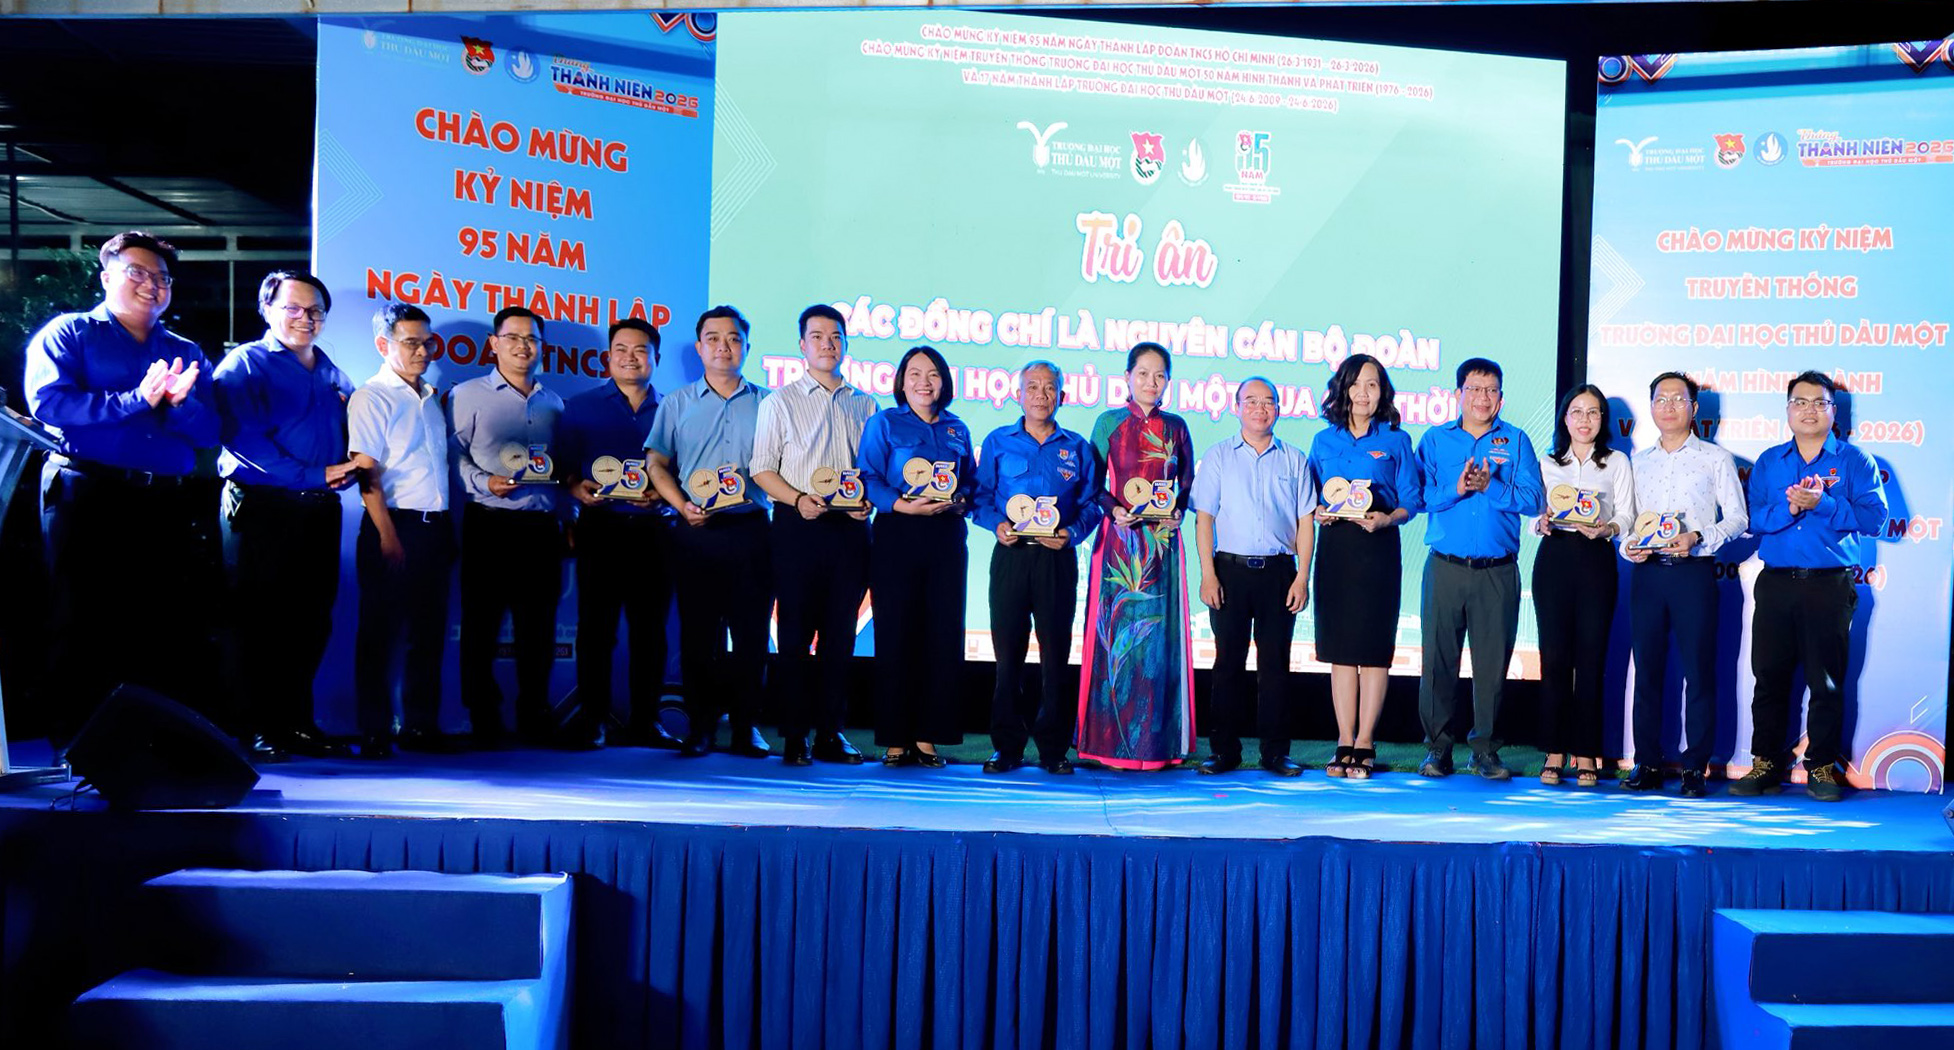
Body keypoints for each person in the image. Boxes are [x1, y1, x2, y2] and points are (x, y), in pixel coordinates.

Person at [24, 231, 221, 750]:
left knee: (157, 621)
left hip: (163, 501)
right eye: (138, 272)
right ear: (107, 276)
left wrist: (180, 405)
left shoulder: (183, 351)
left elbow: (209, 433)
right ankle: (78, 745)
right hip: (89, 492)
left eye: (162, 278)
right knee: (82, 617)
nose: (152, 285)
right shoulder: (70, 332)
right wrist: (136, 400)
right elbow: (49, 405)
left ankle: (144, 747)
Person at [213, 271, 359, 760]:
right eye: (293, 308)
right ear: (267, 310)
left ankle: (296, 724)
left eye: (315, 310)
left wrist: (348, 465)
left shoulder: (331, 371)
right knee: (257, 622)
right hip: (262, 507)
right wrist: (316, 473)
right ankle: (254, 728)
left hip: (317, 510)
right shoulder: (245, 364)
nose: (306, 318)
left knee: (310, 621)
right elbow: (243, 441)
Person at [1731, 371, 1886, 802]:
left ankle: (1821, 767)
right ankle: (1765, 763)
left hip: (1829, 585)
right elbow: (1754, 519)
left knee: (1827, 682)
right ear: (1787, 410)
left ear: (1834, 411)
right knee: (1769, 677)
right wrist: (1792, 508)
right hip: (1776, 584)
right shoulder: (1770, 461)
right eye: (1800, 402)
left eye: (1819, 402)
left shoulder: (1855, 461)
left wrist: (1825, 504)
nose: (1809, 410)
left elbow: (1875, 520)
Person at [750, 304, 878, 766]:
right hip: (797, 525)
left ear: (845, 344)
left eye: (836, 336)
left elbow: (871, 469)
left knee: (840, 637)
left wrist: (867, 500)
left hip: (849, 530)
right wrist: (797, 498)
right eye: (818, 336)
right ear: (802, 345)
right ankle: (794, 735)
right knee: (794, 635)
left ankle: (830, 731)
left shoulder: (866, 404)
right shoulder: (779, 402)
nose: (828, 344)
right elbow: (761, 468)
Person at [643, 305, 773, 759]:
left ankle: (745, 727)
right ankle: (699, 726)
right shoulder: (676, 403)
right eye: (713, 338)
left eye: (734, 338)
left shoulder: (770, 403)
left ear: (747, 347)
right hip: (696, 530)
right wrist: (681, 505)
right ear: (699, 348)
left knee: (751, 634)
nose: (724, 346)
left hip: (751, 529)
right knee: (698, 635)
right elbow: (656, 462)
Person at [1414, 357, 1544, 780]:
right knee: (1438, 663)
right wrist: (1455, 489)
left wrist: (1492, 486)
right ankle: (1438, 748)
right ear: (1458, 395)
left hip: (1497, 571)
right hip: (1445, 568)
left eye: (1491, 391)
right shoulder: (1435, 440)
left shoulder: (1516, 440)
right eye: (1474, 389)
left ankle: (1485, 750)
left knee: (1492, 666)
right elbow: (1418, 497)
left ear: (1500, 398)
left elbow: (1534, 500)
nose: (1482, 398)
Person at [972, 361, 1101, 775]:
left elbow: (1092, 504)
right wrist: (996, 524)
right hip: (1011, 556)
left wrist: (1072, 533)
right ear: (1018, 394)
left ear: (1062, 396)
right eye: (1032, 387)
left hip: (1056, 558)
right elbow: (980, 497)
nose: (1041, 395)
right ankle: (1006, 746)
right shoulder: (998, 441)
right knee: (1008, 654)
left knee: (1055, 655)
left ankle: (1053, 749)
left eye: (1049, 388)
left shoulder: (1078, 447)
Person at [1621, 372, 1747, 798]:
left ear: (1694, 408)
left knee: (1699, 672)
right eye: (1661, 399)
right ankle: (1647, 761)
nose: (1669, 406)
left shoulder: (1715, 458)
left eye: (1678, 399)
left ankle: (1695, 767)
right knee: (1647, 672)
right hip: (1648, 575)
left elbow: (1738, 519)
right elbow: (1627, 522)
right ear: (1651, 407)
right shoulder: (1638, 462)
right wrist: (1629, 547)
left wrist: (1698, 538)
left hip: (1694, 572)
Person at [555, 318, 676, 750]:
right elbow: (562, 469)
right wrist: (575, 489)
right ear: (608, 356)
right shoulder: (580, 406)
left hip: (655, 532)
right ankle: (593, 719)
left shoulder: (674, 409)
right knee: (596, 629)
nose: (630, 357)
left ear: (656, 357)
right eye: (621, 349)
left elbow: (684, 471)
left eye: (640, 350)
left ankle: (646, 721)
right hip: (601, 529)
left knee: (651, 631)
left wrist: (664, 497)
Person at [1076, 343, 1197, 771]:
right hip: (1120, 543)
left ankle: (1156, 746)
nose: (1151, 382)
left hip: (1162, 545)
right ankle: (1108, 744)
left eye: (1160, 375)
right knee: (1115, 637)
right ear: (1127, 376)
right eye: (1143, 373)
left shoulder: (1177, 427)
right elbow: (1092, 482)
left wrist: (1179, 509)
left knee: (1159, 643)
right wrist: (1114, 510)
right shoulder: (1109, 422)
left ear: (1168, 381)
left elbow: (1187, 481)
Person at [450, 305, 566, 748]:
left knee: (539, 627)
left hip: (541, 528)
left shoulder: (554, 402)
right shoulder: (467, 395)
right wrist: (484, 482)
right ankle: (483, 717)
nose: (523, 346)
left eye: (532, 339)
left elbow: (562, 469)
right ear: (494, 344)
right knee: (480, 625)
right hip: (490, 523)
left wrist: (568, 516)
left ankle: (534, 713)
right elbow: (452, 456)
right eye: (513, 337)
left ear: (542, 347)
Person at [855, 345, 975, 767]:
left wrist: (961, 499)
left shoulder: (958, 428)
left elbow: (970, 482)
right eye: (915, 374)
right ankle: (894, 738)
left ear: (945, 382)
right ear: (902, 382)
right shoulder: (884, 423)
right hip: (897, 533)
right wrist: (900, 505)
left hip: (945, 536)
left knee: (941, 635)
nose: (925, 382)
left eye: (933, 374)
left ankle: (927, 738)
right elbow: (867, 476)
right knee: (895, 633)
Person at [346, 303, 455, 759]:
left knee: (427, 634)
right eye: (411, 342)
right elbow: (366, 473)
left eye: (427, 342)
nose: (422, 351)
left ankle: (420, 727)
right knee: (380, 634)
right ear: (383, 345)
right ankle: (374, 730)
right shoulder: (372, 397)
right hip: (392, 525)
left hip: (436, 528)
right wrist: (388, 536)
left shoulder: (430, 395)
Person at [1191, 376, 1315, 776]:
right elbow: (1204, 519)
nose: (1260, 409)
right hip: (1229, 571)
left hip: (1279, 573)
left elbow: (1306, 521)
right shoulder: (1218, 456)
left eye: (1268, 401)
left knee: (1275, 665)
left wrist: (1302, 577)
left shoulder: (1294, 459)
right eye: (1252, 401)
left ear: (1279, 408)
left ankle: (1275, 753)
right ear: (1237, 407)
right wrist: (1208, 574)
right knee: (1228, 663)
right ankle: (1223, 751)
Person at [1308, 353, 1420, 779]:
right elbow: (1311, 496)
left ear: (1382, 392)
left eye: (1372, 384)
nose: (1363, 393)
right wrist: (1318, 512)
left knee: (1373, 651)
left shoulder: (1396, 439)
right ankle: (1343, 739)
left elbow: (1412, 500)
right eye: (1355, 384)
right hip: (1336, 549)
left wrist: (1388, 519)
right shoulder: (1324, 441)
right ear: (1343, 389)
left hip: (1378, 547)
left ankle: (1366, 741)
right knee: (1340, 651)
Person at [1529, 385, 1634, 787]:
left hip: (1596, 558)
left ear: (1603, 419)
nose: (1584, 420)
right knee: (1554, 659)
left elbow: (1627, 514)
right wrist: (1539, 523)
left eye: (1593, 412)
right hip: (1554, 558)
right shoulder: (1547, 462)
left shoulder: (1616, 462)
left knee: (1592, 660)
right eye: (1577, 412)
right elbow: (1534, 513)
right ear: (1565, 418)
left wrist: (1609, 528)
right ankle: (1555, 751)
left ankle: (1587, 752)